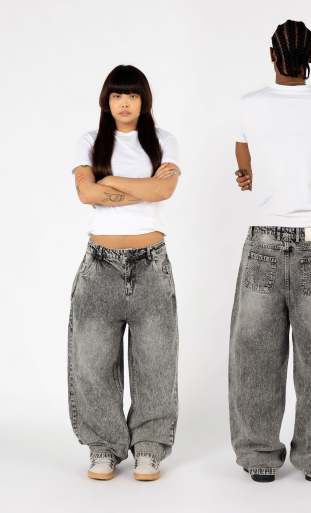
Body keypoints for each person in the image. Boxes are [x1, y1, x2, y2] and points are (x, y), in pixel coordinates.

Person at [228, 19, 311, 483]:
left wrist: (253, 179)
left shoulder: (248, 105)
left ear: (271, 55)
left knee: (254, 354)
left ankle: (259, 456)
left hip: (263, 239)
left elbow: (246, 168)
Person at [68, 64, 181, 481]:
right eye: (117, 95)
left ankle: (149, 447)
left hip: (151, 264)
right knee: (94, 362)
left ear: (143, 100)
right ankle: (104, 447)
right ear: (107, 100)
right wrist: (141, 187)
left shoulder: (163, 141)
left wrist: (111, 180)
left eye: (132, 95)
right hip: (100, 266)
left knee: (156, 362)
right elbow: (86, 192)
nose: (125, 103)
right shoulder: (90, 141)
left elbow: (163, 189)